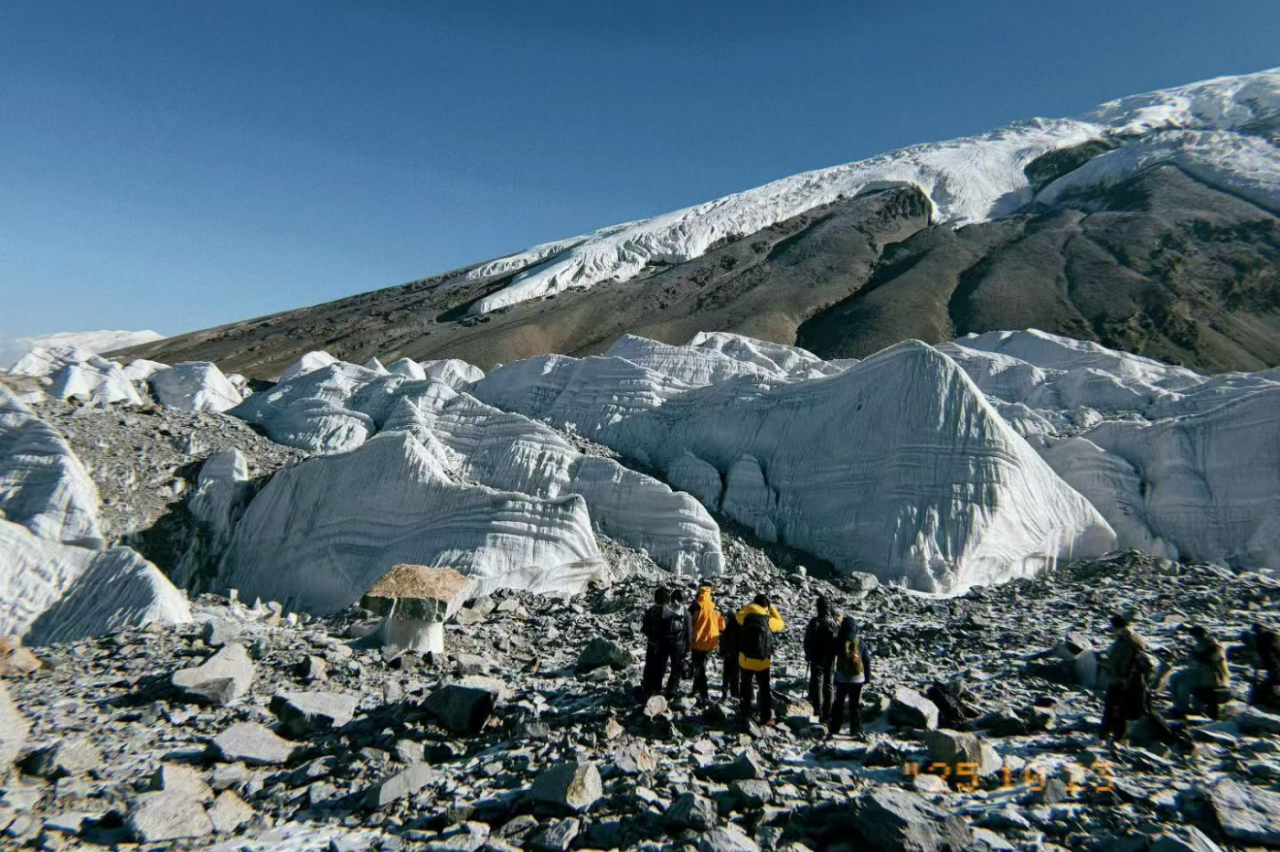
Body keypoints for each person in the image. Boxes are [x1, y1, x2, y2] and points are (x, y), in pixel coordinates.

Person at [1100, 613, 1154, 748]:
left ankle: (1107, 737)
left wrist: (1104, 664)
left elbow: (1116, 662)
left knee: (1112, 709)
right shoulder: (1135, 638)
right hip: (1134, 680)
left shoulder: (1123, 641)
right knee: (1124, 711)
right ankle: (1121, 738)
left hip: (1120, 680)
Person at [735, 594, 786, 725]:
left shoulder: (745, 617)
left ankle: (746, 713)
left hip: (746, 659)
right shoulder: (768, 620)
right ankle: (766, 717)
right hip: (763, 661)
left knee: (746, 685)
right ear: (765, 606)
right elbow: (781, 623)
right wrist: (772, 608)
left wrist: (749, 606)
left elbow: (738, 615)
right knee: (764, 688)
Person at [1169, 624, 1231, 719]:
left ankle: (1182, 708)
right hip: (1207, 677)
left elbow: (1206, 661)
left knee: (1181, 682)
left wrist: (1193, 656)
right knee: (1175, 678)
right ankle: (1181, 707)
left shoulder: (1210, 646)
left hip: (1212, 680)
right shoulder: (1211, 644)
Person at [829, 616, 872, 737]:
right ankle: (856, 729)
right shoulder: (860, 642)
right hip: (857, 678)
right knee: (855, 704)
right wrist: (867, 678)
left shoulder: (838, 641)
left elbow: (830, 658)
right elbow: (867, 661)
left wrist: (830, 675)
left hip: (841, 677)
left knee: (838, 703)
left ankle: (834, 728)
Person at [640, 588, 687, 698]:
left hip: (652, 643)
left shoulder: (651, 610)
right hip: (662, 644)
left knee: (650, 665)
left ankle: (648, 687)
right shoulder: (669, 612)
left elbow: (644, 628)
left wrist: (651, 635)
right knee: (659, 667)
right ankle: (657, 689)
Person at [803, 596, 840, 722]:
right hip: (830, 658)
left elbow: (807, 640)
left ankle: (817, 710)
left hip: (816, 657)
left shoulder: (815, 622)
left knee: (817, 683)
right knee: (829, 683)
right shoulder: (834, 622)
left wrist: (808, 655)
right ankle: (828, 711)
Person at [689, 587, 725, 703]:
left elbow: (689, 623)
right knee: (700, 667)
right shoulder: (716, 607)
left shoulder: (695, 606)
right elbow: (722, 626)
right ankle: (696, 690)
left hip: (697, 641)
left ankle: (704, 694)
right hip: (710, 642)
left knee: (699, 668)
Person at [1241, 623, 1280, 709]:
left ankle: (1254, 713)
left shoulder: (1263, 643)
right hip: (1275, 672)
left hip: (1276, 674)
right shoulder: (1273, 636)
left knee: (1260, 694)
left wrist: (1276, 681)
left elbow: (1273, 663)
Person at [720, 602, 742, 702]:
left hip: (728, 653)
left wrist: (722, 652)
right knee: (735, 675)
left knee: (726, 675)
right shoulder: (741, 627)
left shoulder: (728, 626)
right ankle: (735, 694)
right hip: (737, 654)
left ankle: (724, 692)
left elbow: (723, 639)